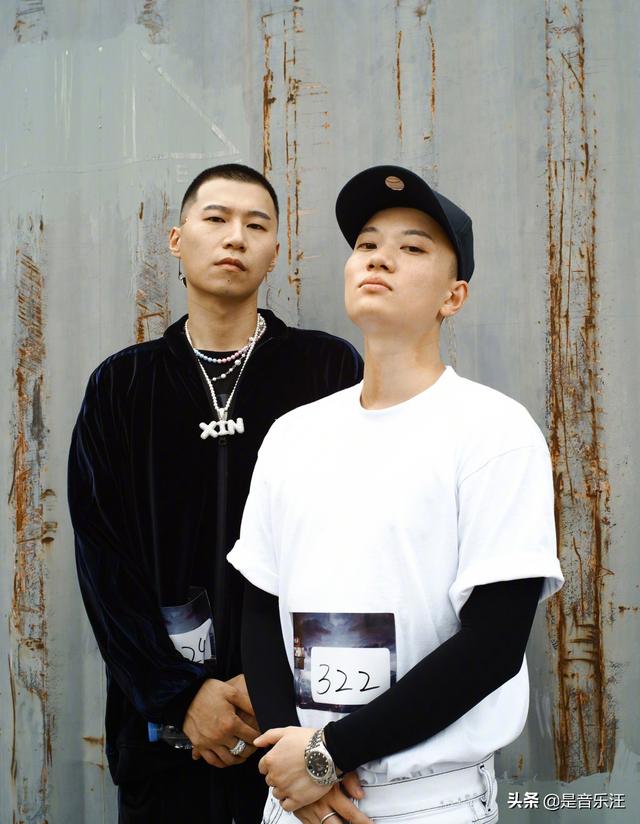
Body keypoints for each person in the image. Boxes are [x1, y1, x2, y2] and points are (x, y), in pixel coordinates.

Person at [228, 165, 564, 823]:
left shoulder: (493, 431)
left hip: (426, 799)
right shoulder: (294, 435)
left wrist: (331, 753)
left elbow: (494, 644)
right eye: (366, 244)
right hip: (298, 797)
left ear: (453, 296)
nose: (380, 257)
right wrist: (292, 760)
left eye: (412, 248)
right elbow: (258, 608)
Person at [68, 163, 363, 824]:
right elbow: (102, 563)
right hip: (164, 739)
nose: (235, 237)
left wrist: (277, 686)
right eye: (216, 218)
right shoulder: (122, 386)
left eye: (256, 225)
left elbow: (358, 545)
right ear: (177, 240)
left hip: (298, 729)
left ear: (275, 252)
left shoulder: (326, 369)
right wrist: (178, 696)